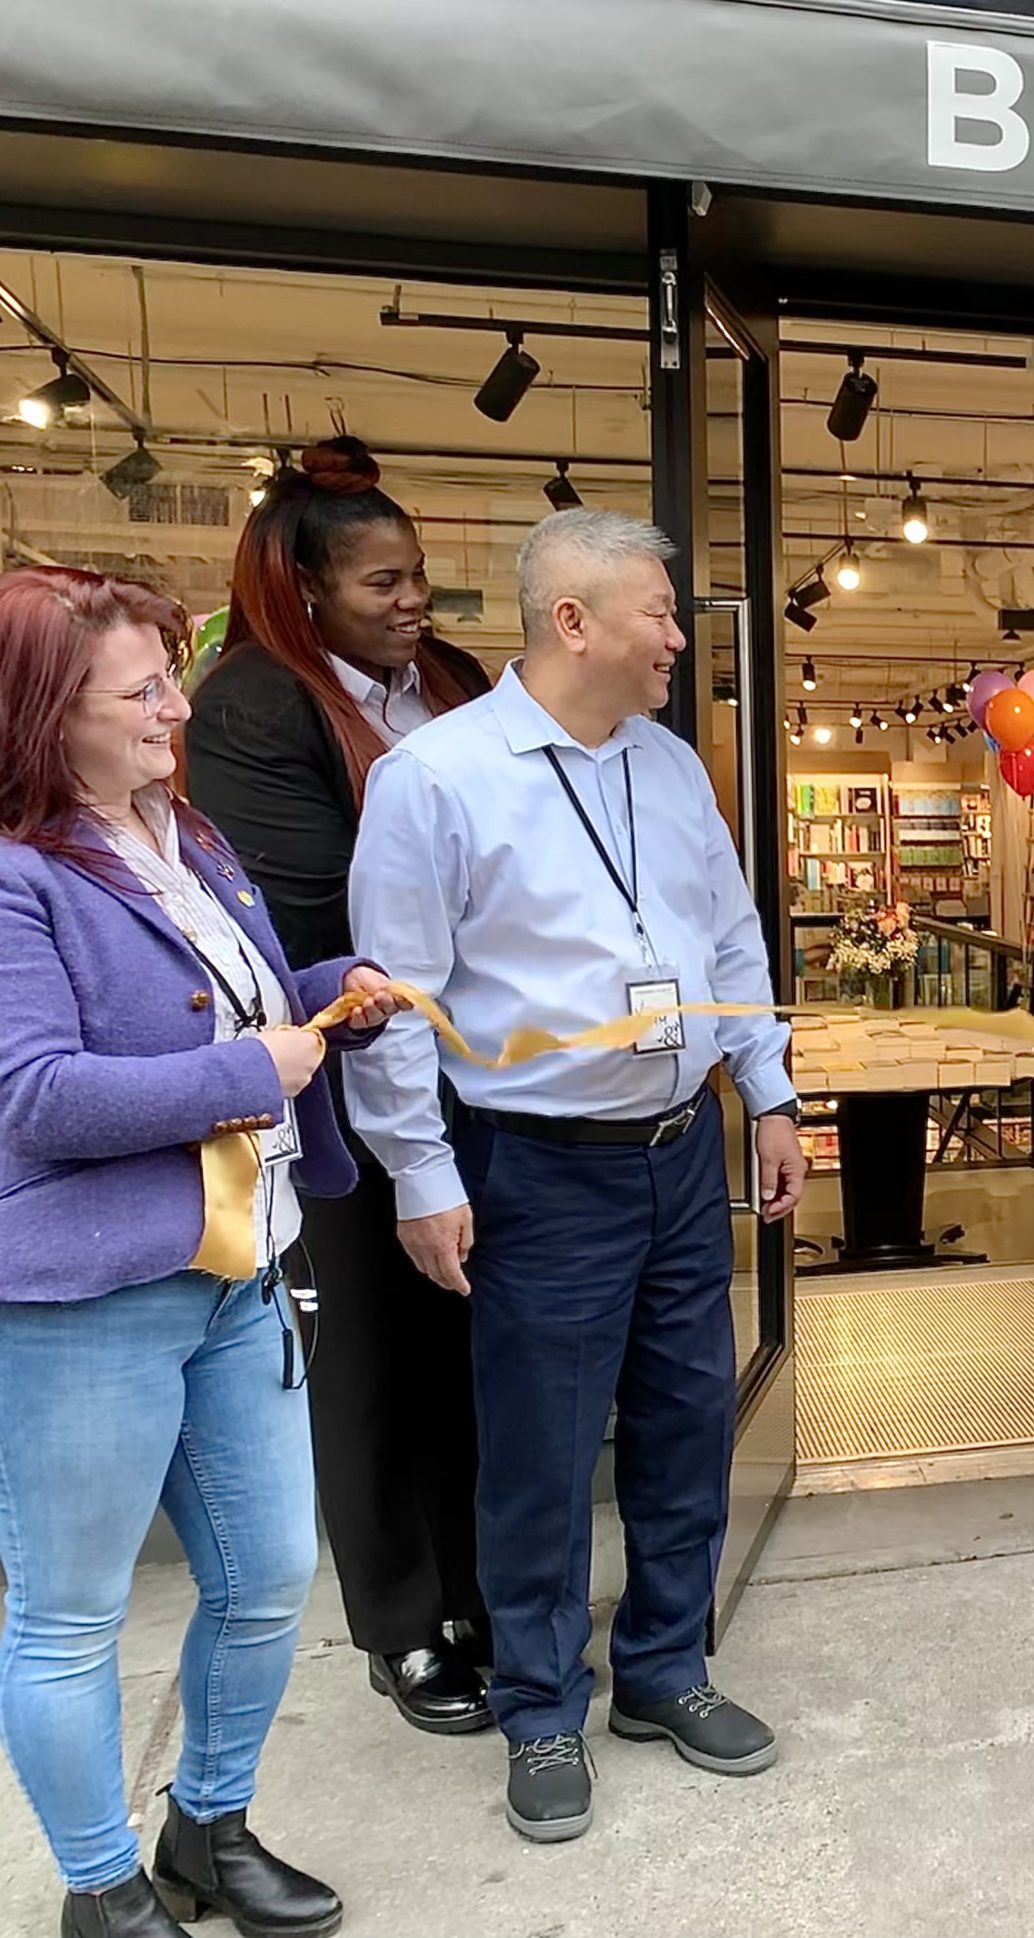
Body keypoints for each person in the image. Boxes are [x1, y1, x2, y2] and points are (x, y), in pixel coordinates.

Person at [344, 510, 808, 1844]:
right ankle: (541, 1704)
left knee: (684, 1426)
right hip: (535, 1165)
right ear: (572, 623)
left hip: (675, 1155)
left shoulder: (670, 767)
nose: (679, 635)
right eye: (659, 612)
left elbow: (727, 934)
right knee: (541, 1455)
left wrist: (765, 1094)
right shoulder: (434, 781)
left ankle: (667, 1669)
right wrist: (421, 1174)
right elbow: (396, 1003)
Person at [0, 565, 404, 1938]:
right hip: (89, 1302)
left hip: (241, 1269)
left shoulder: (192, 837)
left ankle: (208, 1828)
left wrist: (326, 997)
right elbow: (36, 1096)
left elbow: (219, 1009)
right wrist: (258, 1064)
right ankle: (102, 1887)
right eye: (145, 686)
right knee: (69, 1613)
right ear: (49, 715)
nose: (181, 700)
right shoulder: (13, 878)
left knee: (271, 1570)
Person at [182, 436, 499, 1737]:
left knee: (471, 1351)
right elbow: (318, 909)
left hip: (481, 1074)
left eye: (419, 574)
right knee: (372, 1353)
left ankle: (480, 1584)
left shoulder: (458, 684)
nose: (412, 600)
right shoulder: (259, 703)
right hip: (351, 1083)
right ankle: (404, 1615)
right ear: (308, 591)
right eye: (381, 582)